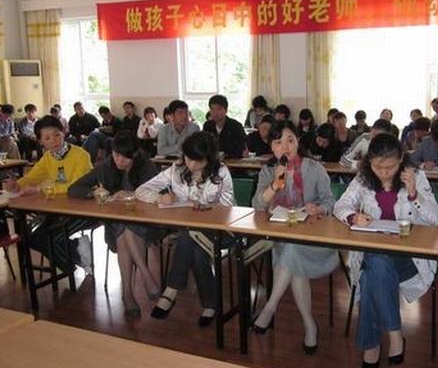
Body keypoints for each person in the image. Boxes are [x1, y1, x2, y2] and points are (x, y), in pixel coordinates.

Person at [333, 133, 438, 368]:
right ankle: (394, 334)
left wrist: (414, 194)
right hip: (374, 254)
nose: (383, 172)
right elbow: (341, 205)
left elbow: (435, 219)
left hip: (409, 258)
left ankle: (372, 345)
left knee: (373, 271)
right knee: (376, 265)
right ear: (369, 162)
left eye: (390, 167)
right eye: (377, 167)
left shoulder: (416, 175)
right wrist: (353, 217)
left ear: (401, 159)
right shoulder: (363, 178)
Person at [251, 120, 337, 354]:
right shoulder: (269, 170)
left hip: (314, 238)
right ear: (272, 147)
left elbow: (331, 201)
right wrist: (275, 183)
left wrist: (318, 208)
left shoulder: (314, 168)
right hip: (280, 237)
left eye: (290, 140)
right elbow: (257, 205)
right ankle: (309, 325)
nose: (286, 147)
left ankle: (270, 307)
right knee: (291, 254)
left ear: (298, 141)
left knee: (292, 251)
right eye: (278, 142)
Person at [135, 132, 235, 326]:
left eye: (198, 161)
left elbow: (227, 210)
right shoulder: (176, 169)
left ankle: (171, 290)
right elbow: (141, 191)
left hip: (218, 230)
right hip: (187, 231)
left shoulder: (221, 172)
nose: (192, 164)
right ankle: (210, 305)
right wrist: (159, 197)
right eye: (189, 158)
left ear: (209, 159)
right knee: (194, 244)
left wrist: (206, 207)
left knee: (190, 236)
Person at [68, 131, 162, 316]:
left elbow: (159, 194)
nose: (118, 160)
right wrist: (93, 192)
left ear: (135, 154)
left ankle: (128, 294)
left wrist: (132, 195)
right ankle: (145, 275)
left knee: (126, 230)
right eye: (115, 155)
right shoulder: (106, 167)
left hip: (147, 224)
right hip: (115, 224)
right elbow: (74, 189)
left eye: (124, 157)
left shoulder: (147, 167)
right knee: (123, 228)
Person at [4, 115, 93, 274]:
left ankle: (70, 267)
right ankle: (76, 252)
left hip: (84, 210)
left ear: (64, 132)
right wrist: (17, 185)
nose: (54, 140)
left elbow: (75, 187)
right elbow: (33, 177)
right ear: (40, 141)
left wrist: (40, 189)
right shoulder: (48, 157)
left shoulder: (81, 155)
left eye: (57, 134)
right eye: (47, 138)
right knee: (31, 237)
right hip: (58, 210)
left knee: (52, 238)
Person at [203, 94, 247, 159]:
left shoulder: (236, 126)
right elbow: (204, 146)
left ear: (226, 110)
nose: (215, 112)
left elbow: (241, 148)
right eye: (212, 109)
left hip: (232, 162)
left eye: (219, 109)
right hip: (212, 162)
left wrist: (224, 155)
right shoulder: (207, 125)